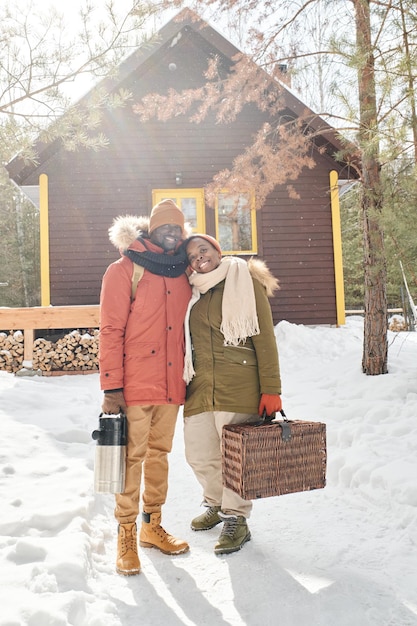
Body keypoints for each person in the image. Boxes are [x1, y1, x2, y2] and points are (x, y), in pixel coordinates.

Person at [99, 199, 192, 576]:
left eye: (178, 228)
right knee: (131, 459)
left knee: (159, 455)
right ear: (151, 230)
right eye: (165, 227)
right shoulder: (124, 270)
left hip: (172, 384)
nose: (172, 233)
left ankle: (152, 526)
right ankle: (126, 532)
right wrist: (111, 386)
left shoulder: (185, 270)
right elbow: (110, 330)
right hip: (136, 383)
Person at [182, 234, 282, 555]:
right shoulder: (195, 292)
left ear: (217, 251)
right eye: (193, 255)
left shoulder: (242, 280)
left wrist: (272, 389)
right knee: (199, 454)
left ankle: (237, 518)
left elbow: (265, 338)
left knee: (236, 458)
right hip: (200, 386)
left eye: (204, 250)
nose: (199, 258)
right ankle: (216, 502)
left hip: (238, 383)